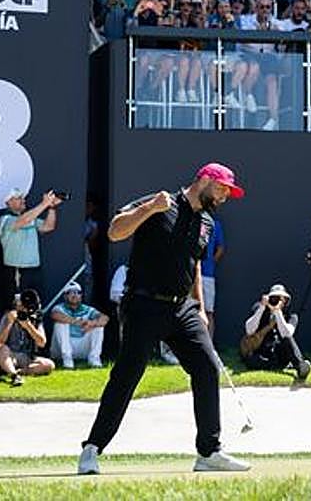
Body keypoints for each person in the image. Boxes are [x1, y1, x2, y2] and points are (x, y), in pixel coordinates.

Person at [78, 163, 250, 475]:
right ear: (206, 180)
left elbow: (194, 264)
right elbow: (116, 231)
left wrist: (198, 305)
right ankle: (92, 448)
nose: (225, 196)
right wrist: (149, 208)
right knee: (127, 376)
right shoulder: (160, 203)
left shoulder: (207, 222)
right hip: (143, 304)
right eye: (223, 188)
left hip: (182, 308)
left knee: (207, 368)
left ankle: (209, 452)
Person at [0, 188, 63, 297]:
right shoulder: (5, 219)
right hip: (17, 270)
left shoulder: (31, 218)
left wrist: (51, 207)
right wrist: (44, 203)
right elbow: (23, 221)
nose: (23, 200)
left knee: (36, 306)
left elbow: (48, 227)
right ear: (8, 202)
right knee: (16, 307)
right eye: (19, 198)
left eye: (23, 198)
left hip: (34, 270)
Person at [240, 283, 310, 381]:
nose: (277, 301)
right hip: (262, 350)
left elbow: (287, 334)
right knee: (251, 361)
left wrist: (278, 312)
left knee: (287, 339)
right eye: (274, 298)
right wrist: (262, 308)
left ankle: (300, 365)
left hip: (280, 350)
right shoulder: (259, 308)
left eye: (281, 299)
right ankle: (275, 365)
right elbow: (249, 330)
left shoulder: (292, 316)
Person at [0, 288, 54, 386]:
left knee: (49, 365)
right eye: (21, 306)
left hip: (27, 357)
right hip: (10, 354)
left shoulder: (35, 320)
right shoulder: (8, 317)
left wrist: (28, 326)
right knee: (2, 349)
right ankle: (14, 376)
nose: (23, 309)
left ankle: (19, 372)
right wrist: (9, 323)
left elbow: (42, 343)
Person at [50, 281, 108, 369]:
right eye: (71, 292)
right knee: (60, 324)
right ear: (65, 296)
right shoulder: (59, 308)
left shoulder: (88, 309)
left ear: (81, 296)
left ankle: (94, 359)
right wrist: (77, 321)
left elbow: (105, 318)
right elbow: (55, 315)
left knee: (98, 327)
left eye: (78, 292)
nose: (75, 295)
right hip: (62, 349)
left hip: (82, 346)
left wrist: (91, 323)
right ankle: (67, 361)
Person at [200, 215, 225, 337]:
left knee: (209, 311)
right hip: (189, 275)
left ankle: (208, 345)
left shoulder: (215, 224)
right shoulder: (191, 219)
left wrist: (210, 262)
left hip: (207, 276)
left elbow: (220, 248)